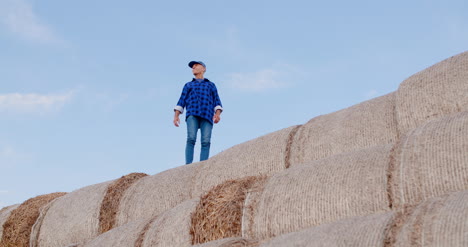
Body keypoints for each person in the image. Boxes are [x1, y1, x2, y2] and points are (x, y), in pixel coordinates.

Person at [173, 61, 223, 164]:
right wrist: (176, 116)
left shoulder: (211, 85)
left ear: (203, 69)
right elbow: (181, 101)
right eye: (192, 67)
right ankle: (188, 165)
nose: (193, 68)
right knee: (191, 139)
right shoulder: (188, 85)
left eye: (196, 66)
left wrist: (217, 114)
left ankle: (202, 165)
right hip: (192, 113)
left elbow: (217, 101)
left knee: (206, 142)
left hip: (207, 115)